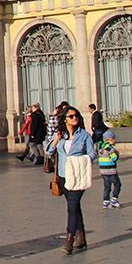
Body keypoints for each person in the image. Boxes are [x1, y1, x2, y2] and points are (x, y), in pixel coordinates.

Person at [48, 106, 96, 254]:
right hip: (63, 175)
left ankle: (70, 238)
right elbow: (49, 151)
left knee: (72, 206)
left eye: (76, 116)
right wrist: (56, 140)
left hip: (78, 174)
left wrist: (79, 160)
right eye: (71, 116)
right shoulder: (60, 135)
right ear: (65, 119)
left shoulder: (85, 135)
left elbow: (92, 154)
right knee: (73, 206)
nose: (74, 118)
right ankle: (81, 237)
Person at [97, 130, 121, 209]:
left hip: (103, 171)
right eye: (114, 139)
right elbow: (114, 158)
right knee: (117, 184)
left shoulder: (101, 148)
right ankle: (114, 199)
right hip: (111, 170)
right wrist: (117, 154)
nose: (115, 140)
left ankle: (106, 201)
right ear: (109, 139)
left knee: (107, 186)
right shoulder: (110, 149)